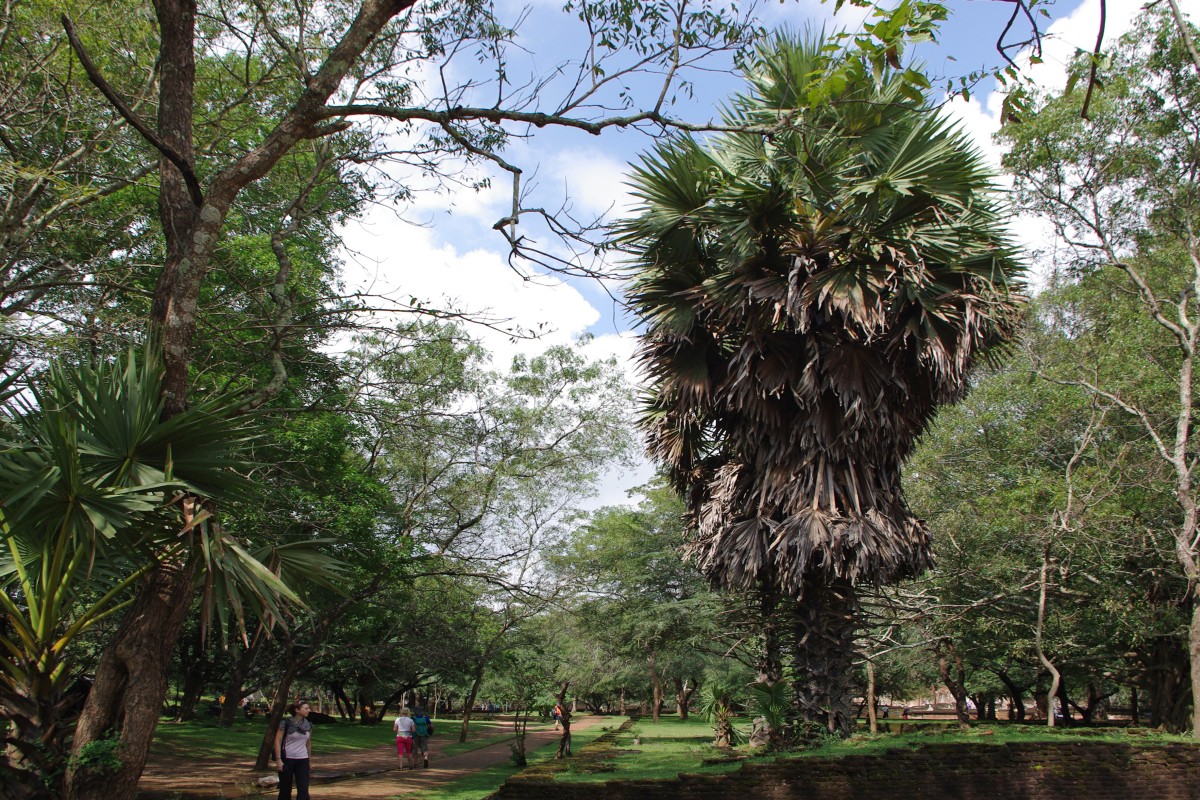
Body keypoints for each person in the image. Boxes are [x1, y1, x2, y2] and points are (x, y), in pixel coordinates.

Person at [274, 700, 313, 800]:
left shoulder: (308, 725)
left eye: (308, 708)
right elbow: (277, 741)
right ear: (297, 710)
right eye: (306, 708)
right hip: (287, 760)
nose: (309, 710)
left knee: (303, 789)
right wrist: (279, 760)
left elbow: (308, 743)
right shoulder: (285, 723)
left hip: (303, 760)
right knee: (285, 789)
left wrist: (309, 760)